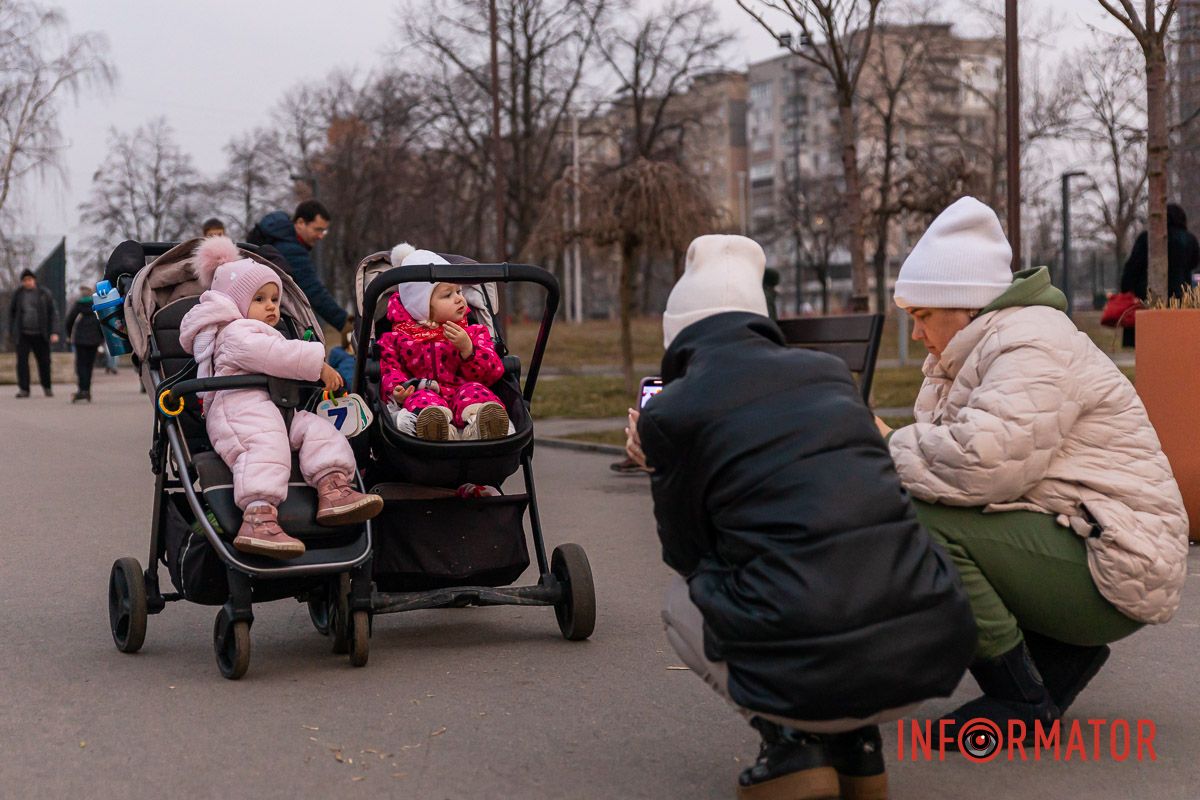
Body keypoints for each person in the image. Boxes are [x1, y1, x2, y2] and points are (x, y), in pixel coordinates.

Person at [625, 234, 976, 800]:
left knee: (682, 600)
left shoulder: (673, 412)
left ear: (678, 333)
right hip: (924, 649)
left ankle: (791, 743)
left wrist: (658, 461)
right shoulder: (830, 376)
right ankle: (859, 748)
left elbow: (689, 557)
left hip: (812, 660)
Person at [880, 196, 1189, 744]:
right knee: (913, 504)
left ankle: (1019, 696)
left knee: (915, 518)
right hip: (1085, 538)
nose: (918, 332)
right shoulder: (966, 354)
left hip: (1116, 560)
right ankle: (1055, 661)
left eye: (923, 315)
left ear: (967, 305)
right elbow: (950, 460)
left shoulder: (1032, 342)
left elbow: (981, 466)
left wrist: (882, 446)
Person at [178, 237, 383, 559]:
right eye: (260, 299)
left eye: (275, 298)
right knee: (266, 448)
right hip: (238, 410)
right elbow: (272, 354)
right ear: (235, 302)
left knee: (319, 431)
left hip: (276, 407)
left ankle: (333, 488)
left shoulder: (261, 329)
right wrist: (318, 365)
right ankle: (258, 517)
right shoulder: (233, 332)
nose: (272, 306)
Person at [378, 245, 510, 441]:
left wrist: (469, 350)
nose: (459, 299)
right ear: (421, 305)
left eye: (459, 291)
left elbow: (492, 374)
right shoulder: (397, 339)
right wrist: (397, 390)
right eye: (448, 295)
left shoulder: (473, 333)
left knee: (477, 392)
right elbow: (390, 370)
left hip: (462, 391)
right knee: (421, 400)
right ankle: (436, 430)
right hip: (425, 393)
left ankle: (482, 426)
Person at [250, 201, 349, 333]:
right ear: (301, 223)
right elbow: (314, 291)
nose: (320, 236)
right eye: (317, 229)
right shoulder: (291, 250)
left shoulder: (277, 237)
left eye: (323, 231)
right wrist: (345, 323)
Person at [1118, 202, 1200, 347]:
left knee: (1150, 348)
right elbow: (1195, 264)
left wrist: (1127, 288)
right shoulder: (1189, 240)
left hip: (1149, 300)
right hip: (1181, 302)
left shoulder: (1148, 238)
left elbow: (1131, 269)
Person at [8, 268, 58, 398]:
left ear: (34, 280)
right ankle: (24, 389)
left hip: (41, 334)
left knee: (44, 362)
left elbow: (53, 313)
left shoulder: (44, 293)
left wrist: (54, 332)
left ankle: (47, 386)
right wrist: (11, 331)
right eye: (24, 280)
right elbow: (12, 314)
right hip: (23, 334)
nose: (27, 282)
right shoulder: (18, 294)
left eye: (29, 279)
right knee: (22, 363)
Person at [64, 283, 105, 403]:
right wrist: (101, 338)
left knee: (81, 366)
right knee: (89, 365)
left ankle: (82, 389)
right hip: (94, 339)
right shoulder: (96, 304)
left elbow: (69, 320)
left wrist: (69, 334)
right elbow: (102, 322)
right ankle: (87, 390)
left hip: (80, 339)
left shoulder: (78, 305)